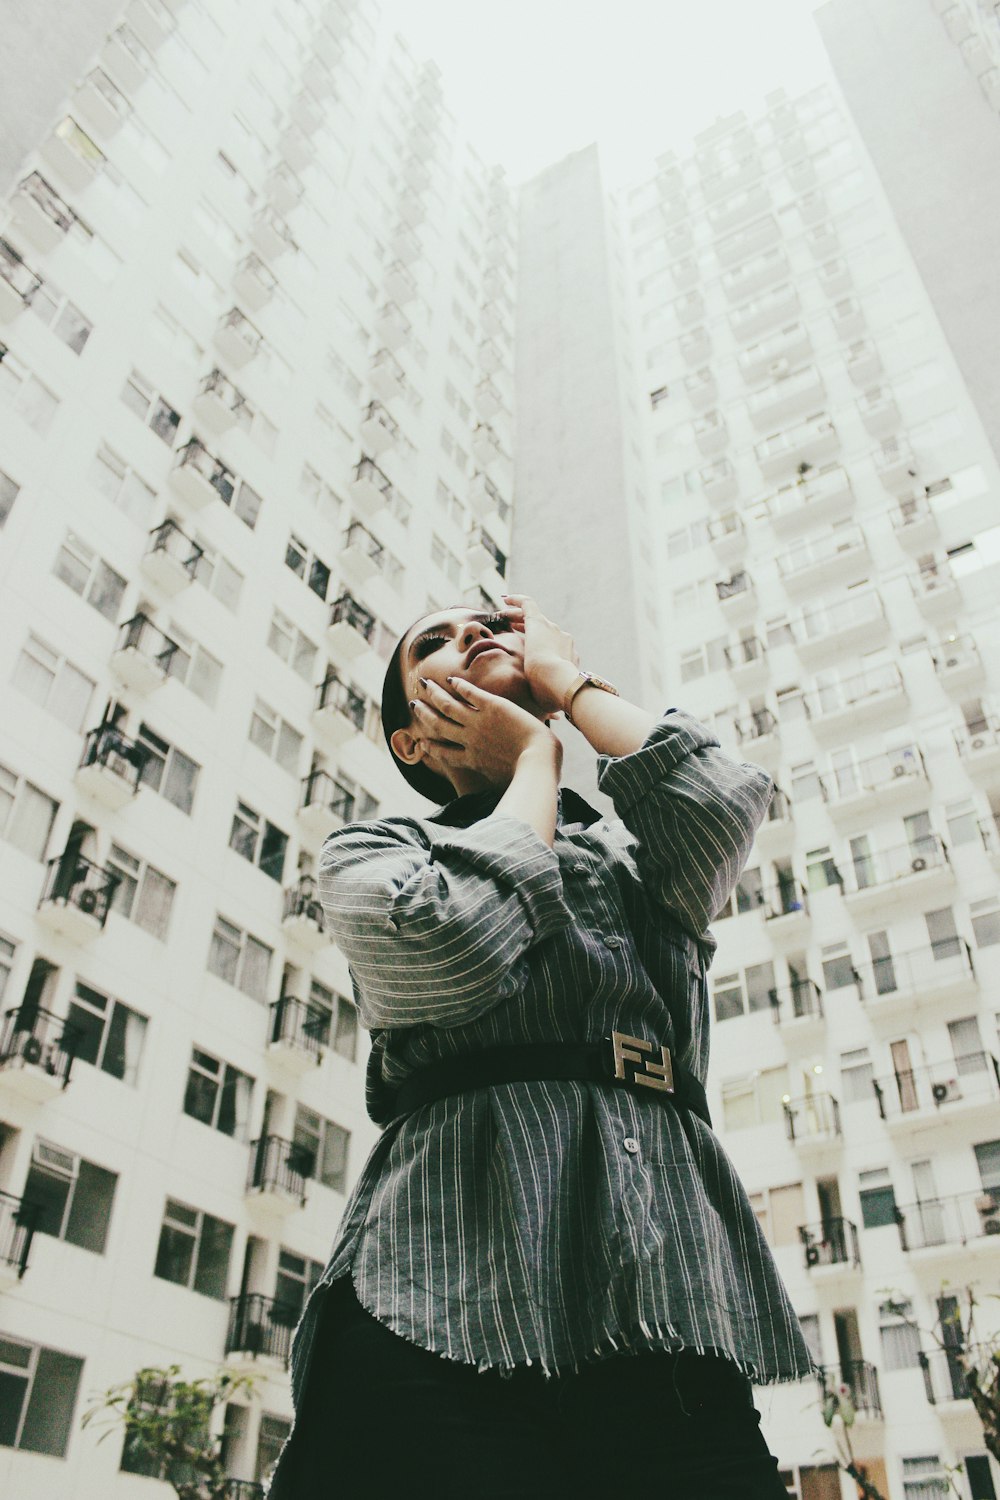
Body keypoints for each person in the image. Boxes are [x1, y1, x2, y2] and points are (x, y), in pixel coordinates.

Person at [265, 594, 814, 1499]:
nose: (471, 634)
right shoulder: (376, 854)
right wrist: (532, 758)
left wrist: (567, 684)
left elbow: (726, 797)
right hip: (434, 1292)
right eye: (432, 645)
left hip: (660, 1291)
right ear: (410, 740)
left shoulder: (641, 860)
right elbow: (454, 942)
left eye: (490, 625)